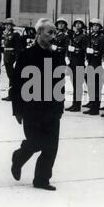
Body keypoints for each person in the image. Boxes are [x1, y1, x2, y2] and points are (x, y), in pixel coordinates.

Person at [10, 18, 65, 191]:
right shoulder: (26, 55)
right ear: (39, 33)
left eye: (55, 33)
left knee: (51, 146)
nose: (53, 36)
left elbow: (60, 82)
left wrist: (60, 107)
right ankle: (19, 157)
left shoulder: (57, 55)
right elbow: (16, 84)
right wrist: (17, 110)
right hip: (31, 108)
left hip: (52, 108)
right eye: (50, 32)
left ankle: (42, 179)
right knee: (36, 141)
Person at [65, 18, 89, 112]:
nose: (78, 25)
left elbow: (84, 50)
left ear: (82, 26)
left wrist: (74, 49)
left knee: (78, 85)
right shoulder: (73, 36)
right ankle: (74, 104)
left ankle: (77, 105)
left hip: (79, 63)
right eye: (76, 24)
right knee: (74, 84)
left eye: (80, 24)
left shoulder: (84, 37)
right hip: (72, 63)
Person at [83, 18, 104, 115]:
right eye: (93, 25)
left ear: (99, 27)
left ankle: (95, 108)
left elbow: (103, 51)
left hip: (97, 64)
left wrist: (94, 52)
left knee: (96, 87)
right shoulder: (90, 37)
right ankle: (92, 104)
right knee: (90, 86)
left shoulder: (102, 38)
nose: (95, 27)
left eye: (97, 25)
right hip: (90, 63)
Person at [1, 18, 23, 101]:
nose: (7, 26)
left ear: (12, 26)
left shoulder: (15, 34)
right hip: (7, 57)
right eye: (6, 25)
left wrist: (17, 60)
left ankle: (12, 95)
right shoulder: (7, 34)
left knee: (12, 77)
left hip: (12, 58)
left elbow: (18, 48)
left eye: (9, 25)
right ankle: (12, 95)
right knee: (10, 76)